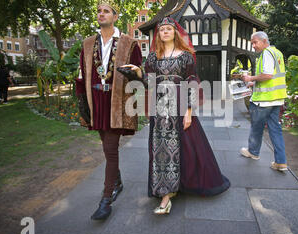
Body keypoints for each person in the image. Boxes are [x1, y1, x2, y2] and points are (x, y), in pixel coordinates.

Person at [123, 17, 230, 215]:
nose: (164, 32)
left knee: (187, 146)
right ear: (159, 34)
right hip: (160, 107)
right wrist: (138, 73)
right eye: (161, 29)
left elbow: (191, 82)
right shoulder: (153, 58)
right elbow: (149, 83)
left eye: (168, 29)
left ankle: (179, 185)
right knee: (161, 147)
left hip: (180, 105)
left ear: (175, 32)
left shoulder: (186, 56)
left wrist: (189, 112)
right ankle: (165, 191)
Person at [75, 0, 142, 221]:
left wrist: (135, 73)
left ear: (115, 16)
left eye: (106, 11)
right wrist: (81, 103)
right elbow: (80, 76)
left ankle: (106, 199)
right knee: (106, 146)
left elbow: (139, 76)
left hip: (117, 103)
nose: (101, 14)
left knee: (111, 150)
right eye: (99, 11)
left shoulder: (129, 43)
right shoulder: (86, 43)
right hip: (96, 101)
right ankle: (118, 181)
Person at [239, 31, 288, 171]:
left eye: (255, 42)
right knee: (275, 130)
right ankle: (281, 162)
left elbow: (267, 75)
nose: (253, 46)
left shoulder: (266, 53)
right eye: (252, 43)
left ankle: (253, 152)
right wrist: (254, 83)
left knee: (256, 127)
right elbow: (272, 77)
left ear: (264, 41)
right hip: (276, 99)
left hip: (264, 100)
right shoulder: (276, 52)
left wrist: (250, 79)